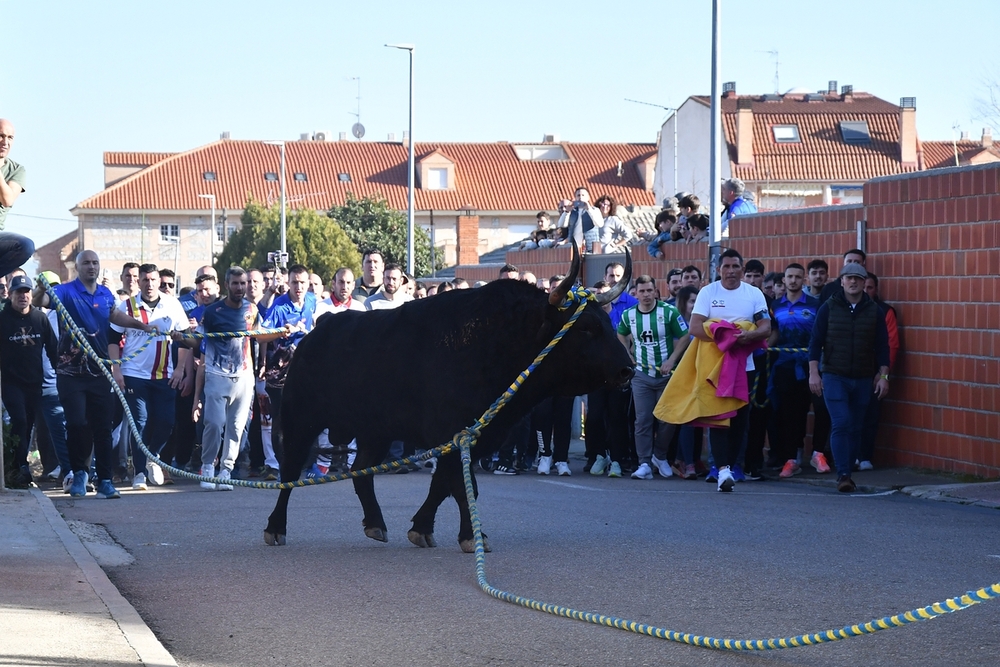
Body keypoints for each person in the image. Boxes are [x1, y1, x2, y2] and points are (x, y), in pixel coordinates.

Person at [41, 250, 158, 499]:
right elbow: (42, 301)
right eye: (86, 263)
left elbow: (115, 315)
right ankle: (79, 473)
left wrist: (142, 326)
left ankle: (105, 480)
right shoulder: (65, 291)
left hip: (99, 371)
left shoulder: (105, 294)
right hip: (70, 372)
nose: (91, 267)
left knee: (103, 427)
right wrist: (41, 286)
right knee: (76, 424)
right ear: (77, 266)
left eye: (95, 263)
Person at [667, 249, 770, 492]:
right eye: (726, 266)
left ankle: (732, 466)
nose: (731, 271)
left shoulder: (754, 294)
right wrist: (726, 337)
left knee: (740, 421)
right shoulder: (708, 292)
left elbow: (765, 327)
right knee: (717, 418)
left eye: (736, 266)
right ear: (718, 269)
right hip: (713, 366)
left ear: (742, 270)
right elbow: (695, 327)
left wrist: (749, 335)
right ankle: (722, 469)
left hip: (745, 366)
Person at [177, 267, 288, 490]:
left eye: (243, 283)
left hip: (244, 376)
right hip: (217, 375)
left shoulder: (252, 309)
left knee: (237, 428)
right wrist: (181, 338)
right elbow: (198, 341)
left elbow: (259, 335)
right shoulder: (212, 311)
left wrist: (280, 332)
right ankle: (208, 467)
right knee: (215, 423)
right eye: (235, 284)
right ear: (227, 285)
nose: (240, 287)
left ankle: (226, 470)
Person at [808, 263, 890, 492]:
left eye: (857, 278)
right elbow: (815, 342)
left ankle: (847, 469)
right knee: (841, 422)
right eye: (848, 278)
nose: (853, 282)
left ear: (864, 283)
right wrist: (814, 373)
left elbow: (883, 347)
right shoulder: (829, 307)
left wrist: (883, 376)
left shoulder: (875, 311)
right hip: (834, 375)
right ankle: (843, 474)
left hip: (863, 377)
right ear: (841, 281)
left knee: (855, 426)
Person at [109, 264, 190, 490]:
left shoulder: (172, 305)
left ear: (158, 281)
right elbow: (112, 339)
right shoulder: (125, 306)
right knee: (140, 423)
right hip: (134, 373)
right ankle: (140, 473)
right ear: (139, 282)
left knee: (166, 421)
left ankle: (152, 455)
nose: (150, 284)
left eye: (153, 279)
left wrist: (180, 368)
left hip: (165, 374)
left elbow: (186, 339)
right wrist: (117, 370)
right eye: (145, 280)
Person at [616, 275, 690, 480]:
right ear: (636, 293)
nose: (646, 295)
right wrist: (627, 353)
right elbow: (620, 334)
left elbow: (685, 335)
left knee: (667, 418)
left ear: (656, 291)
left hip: (666, 375)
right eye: (642, 291)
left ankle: (660, 455)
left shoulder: (669, 312)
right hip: (641, 375)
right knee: (643, 420)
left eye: (650, 290)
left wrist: (672, 359)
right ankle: (644, 463)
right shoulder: (628, 315)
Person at [767, 263, 827, 478]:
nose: (793, 280)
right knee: (791, 414)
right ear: (784, 279)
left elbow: (821, 335)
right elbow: (773, 332)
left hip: (813, 365)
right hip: (785, 366)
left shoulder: (816, 304)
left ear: (805, 280)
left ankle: (818, 453)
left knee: (822, 408)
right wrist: (762, 347)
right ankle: (792, 459)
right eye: (790, 276)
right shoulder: (775, 305)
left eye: (798, 277)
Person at [0, 275, 58, 486]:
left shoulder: (39, 319)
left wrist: (60, 373)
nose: (23, 296)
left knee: (28, 425)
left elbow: (53, 349)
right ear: (11, 295)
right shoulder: (3, 318)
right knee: (20, 420)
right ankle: (20, 466)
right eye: (18, 292)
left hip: (34, 383)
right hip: (10, 382)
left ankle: (18, 466)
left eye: (26, 292)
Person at [859, 271, 900, 470]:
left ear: (876, 290)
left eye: (870, 287)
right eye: (863, 286)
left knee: (871, 415)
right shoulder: (845, 309)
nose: (866, 291)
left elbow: (892, 344)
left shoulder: (885, 311)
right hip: (849, 370)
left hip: (874, 370)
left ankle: (865, 456)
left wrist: (884, 373)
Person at [557, 186, 603, 253]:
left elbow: (600, 224)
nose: (581, 198)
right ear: (575, 198)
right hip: (575, 247)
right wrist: (567, 212)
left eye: (583, 195)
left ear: (588, 197)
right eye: (578, 195)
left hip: (591, 247)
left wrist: (589, 209)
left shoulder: (595, 210)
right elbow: (561, 224)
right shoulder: (572, 211)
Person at [0, 118, 26, 227]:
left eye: (10, 137)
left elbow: (7, 200)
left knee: (25, 244)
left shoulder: (16, 170)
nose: (5, 142)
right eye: (1, 136)